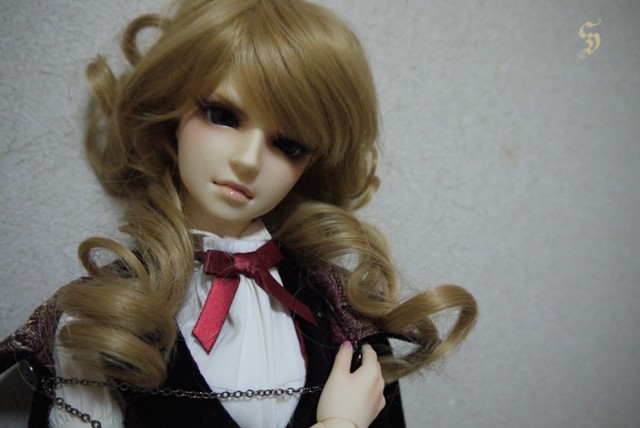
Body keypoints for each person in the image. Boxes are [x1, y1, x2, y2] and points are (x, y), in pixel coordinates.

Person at [0, 0, 477, 426]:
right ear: (173, 110)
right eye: (222, 115)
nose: (248, 161)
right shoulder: (99, 318)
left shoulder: (344, 315)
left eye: (288, 144)